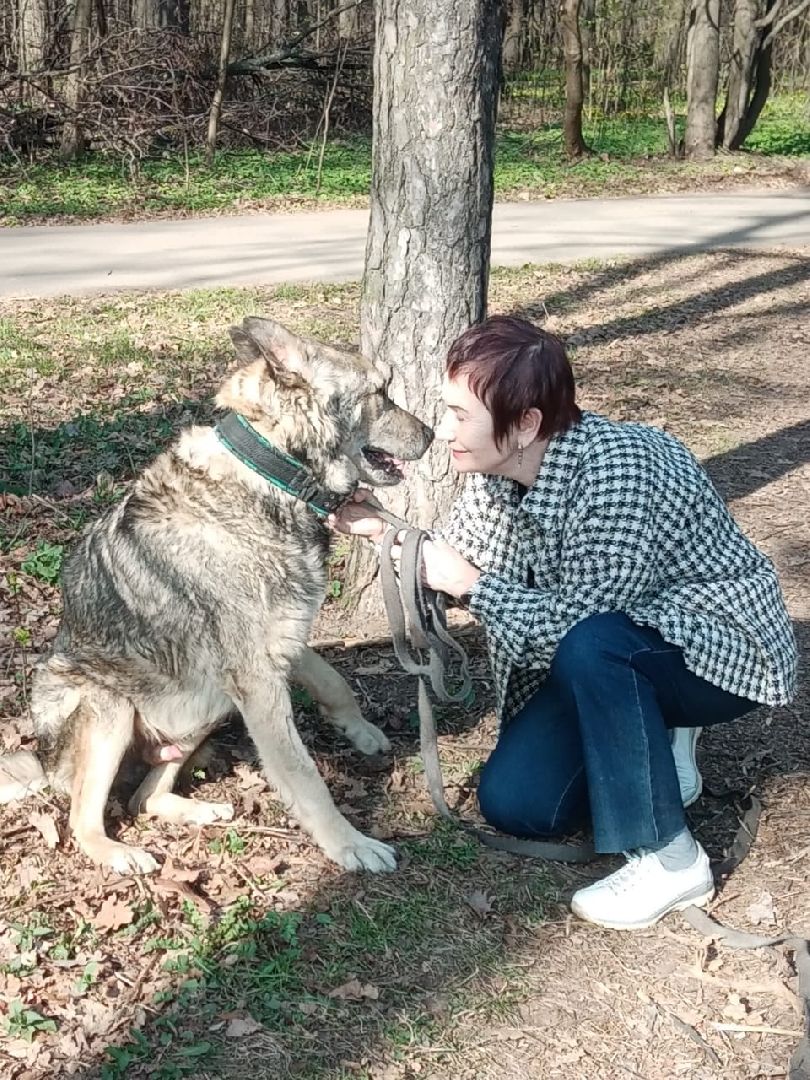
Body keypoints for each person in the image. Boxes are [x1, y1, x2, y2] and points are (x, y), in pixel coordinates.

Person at [329, 315, 797, 931]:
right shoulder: (499, 473)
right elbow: (447, 556)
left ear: (525, 423)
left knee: (596, 642)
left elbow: (574, 625)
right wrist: (380, 531)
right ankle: (657, 737)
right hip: (607, 655)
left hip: (716, 650)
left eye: (459, 415)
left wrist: (471, 586)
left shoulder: (621, 470)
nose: (443, 430)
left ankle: (671, 859)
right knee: (519, 804)